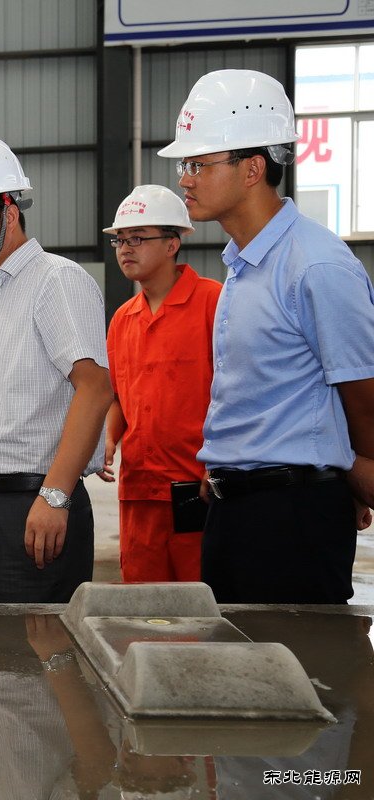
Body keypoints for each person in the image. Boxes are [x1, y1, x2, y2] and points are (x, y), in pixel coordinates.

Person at [159, 69, 374, 603]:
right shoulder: (245, 264)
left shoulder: (315, 265)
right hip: (236, 505)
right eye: (184, 165)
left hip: (292, 515)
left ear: (253, 168)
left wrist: (358, 471)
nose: (185, 180)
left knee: (297, 656)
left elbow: (362, 390)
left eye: (198, 164)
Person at [0, 134, 113, 604]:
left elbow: (95, 389)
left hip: (34, 507)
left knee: (35, 647)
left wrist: (56, 496)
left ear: (8, 212)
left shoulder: (56, 280)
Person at [97, 184, 220, 583]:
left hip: (198, 486)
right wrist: (109, 438)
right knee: (143, 603)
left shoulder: (213, 303)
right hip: (139, 491)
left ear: (172, 244)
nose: (125, 249)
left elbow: (237, 391)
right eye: (120, 240)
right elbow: (118, 396)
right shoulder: (122, 319)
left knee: (200, 601)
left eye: (138, 238)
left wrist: (220, 461)